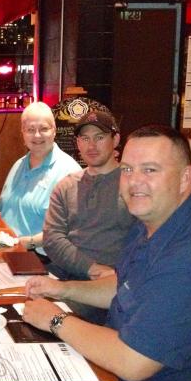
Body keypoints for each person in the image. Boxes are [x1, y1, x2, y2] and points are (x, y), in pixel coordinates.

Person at [23, 125, 191, 381]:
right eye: (128, 170)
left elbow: (133, 361)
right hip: (113, 370)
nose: (135, 181)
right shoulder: (153, 221)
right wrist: (62, 289)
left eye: (150, 170)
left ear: (185, 178)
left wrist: (55, 320)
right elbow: (124, 285)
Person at [42, 110, 135, 323]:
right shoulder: (66, 186)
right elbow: (52, 238)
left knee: (47, 319)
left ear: (116, 139)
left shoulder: (133, 185)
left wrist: (110, 275)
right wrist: (90, 267)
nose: (91, 146)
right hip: (61, 275)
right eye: (85, 138)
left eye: (99, 137)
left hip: (105, 289)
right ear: (77, 142)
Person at [0, 101, 80, 248]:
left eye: (44, 129)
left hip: (40, 258)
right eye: (30, 129)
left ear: (54, 130)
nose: (37, 135)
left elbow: (72, 229)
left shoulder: (70, 172)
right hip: (5, 248)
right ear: (22, 132)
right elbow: (1, 210)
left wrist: (26, 243)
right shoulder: (18, 165)